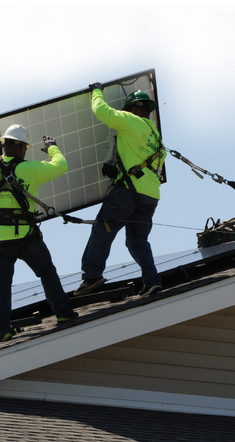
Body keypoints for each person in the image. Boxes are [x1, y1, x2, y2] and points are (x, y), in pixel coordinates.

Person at [0, 124, 78, 342]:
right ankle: (63, 314)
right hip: (25, 237)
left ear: (4, 146)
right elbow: (61, 166)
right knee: (46, 272)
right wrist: (52, 148)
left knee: (1, 284)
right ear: (22, 148)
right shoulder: (32, 169)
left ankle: (1, 329)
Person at [75, 83, 167, 297]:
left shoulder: (130, 121)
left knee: (102, 230)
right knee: (137, 241)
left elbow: (102, 111)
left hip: (128, 193)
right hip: (150, 196)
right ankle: (152, 281)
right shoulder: (155, 135)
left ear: (133, 109)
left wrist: (96, 91)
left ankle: (92, 275)